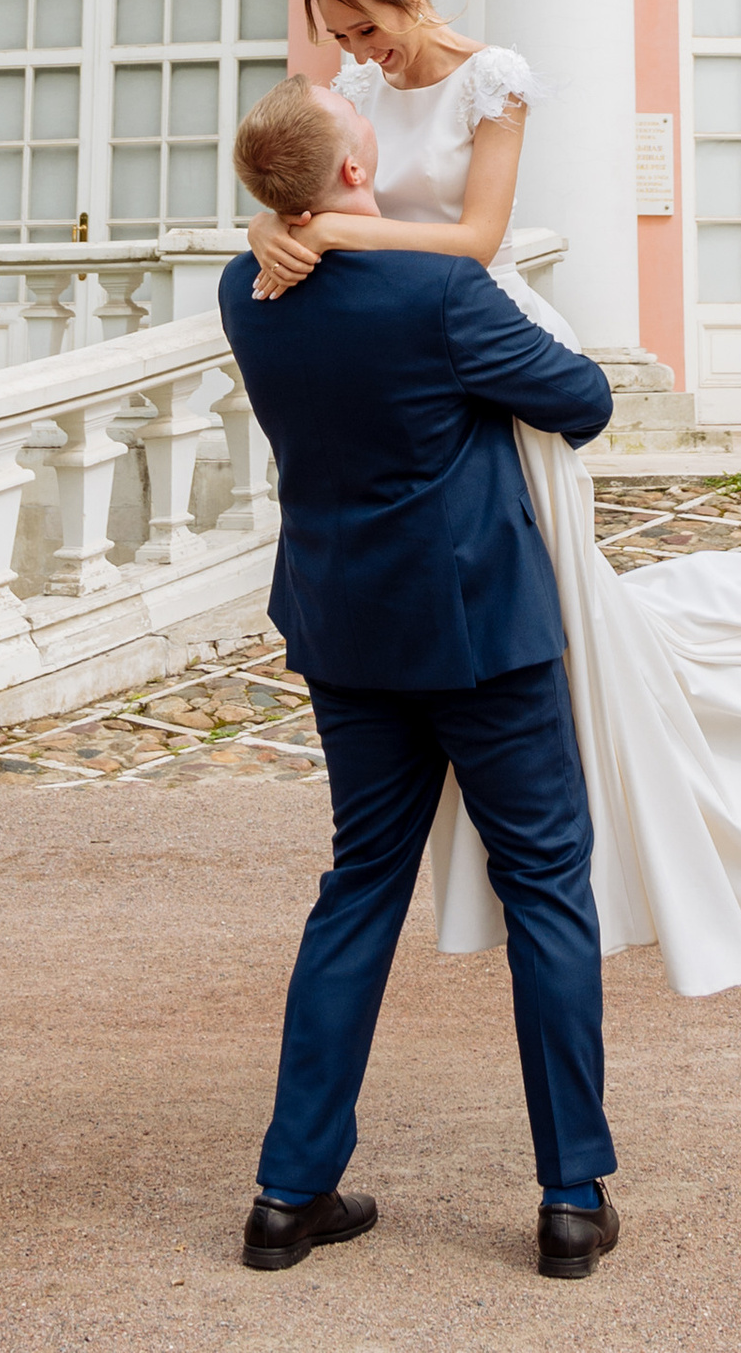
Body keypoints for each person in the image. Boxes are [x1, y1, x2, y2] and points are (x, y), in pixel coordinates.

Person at [244, 0, 741, 1001]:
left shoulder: (494, 81)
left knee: (548, 603)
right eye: (336, 37)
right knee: (499, 619)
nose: (355, 56)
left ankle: (604, 800)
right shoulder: (360, 99)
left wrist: (335, 236)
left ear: (408, 3)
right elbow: (321, 181)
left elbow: (476, 239)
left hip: (487, 347)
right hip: (408, 358)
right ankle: (528, 802)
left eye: (364, 30)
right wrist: (270, 227)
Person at [219, 75, 624, 1283]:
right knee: (548, 884)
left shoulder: (248, 286)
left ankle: (288, 1196)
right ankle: (567, 1198)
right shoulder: (438, 286)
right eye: (364, 138)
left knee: (358, 891)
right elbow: (585, 398)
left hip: (347, 630)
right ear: (352, 173)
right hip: (480, 634)